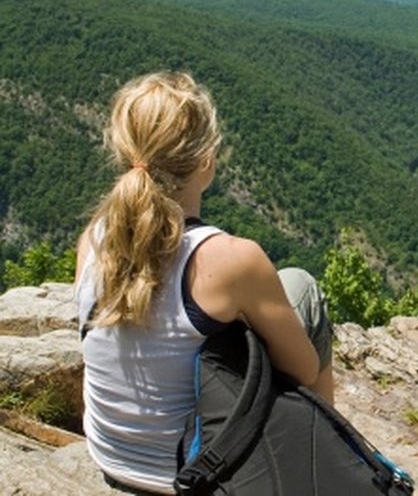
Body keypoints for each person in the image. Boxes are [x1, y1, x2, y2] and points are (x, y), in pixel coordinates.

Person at [74, 72, 334, 495]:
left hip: (112, 461)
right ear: (206, 161)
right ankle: (322, 466)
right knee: (301, 287)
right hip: (195, 474)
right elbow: (302, 370)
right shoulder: (229, 259)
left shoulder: (93, 240)